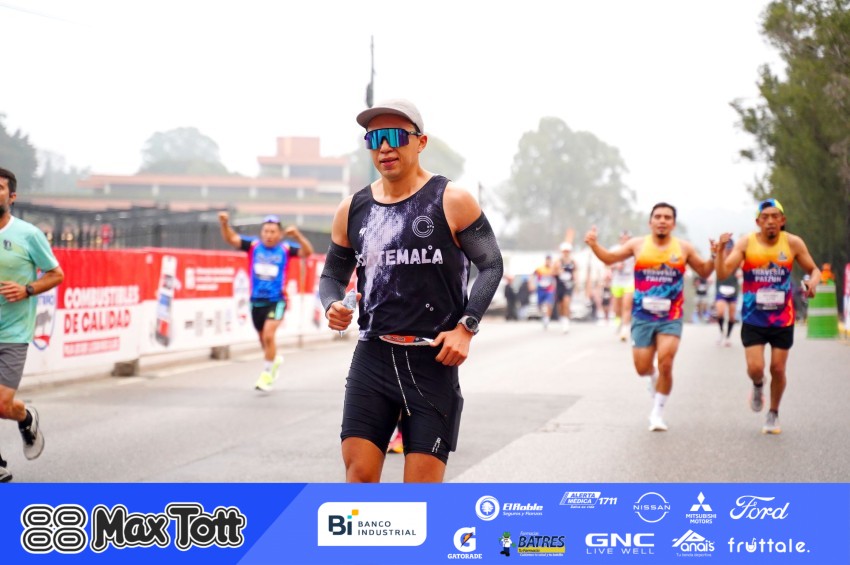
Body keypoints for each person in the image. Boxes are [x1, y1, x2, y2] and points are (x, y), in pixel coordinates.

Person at [319, 99, 503, 482]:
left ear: (420, 142)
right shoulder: (352, 208)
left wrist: (466, 327)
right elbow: (332, 275)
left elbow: (491, 264)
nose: (385, 147)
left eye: (396, 136)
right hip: (373, 356)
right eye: (375, 139)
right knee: (358, 478)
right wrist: (332, 303)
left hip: (431, 361)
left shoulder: (451, 199)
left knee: (419, 496)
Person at [585, 203, 714, 431]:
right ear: (650, 222)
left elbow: (704, 271)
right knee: (642, 368)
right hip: (643, 316)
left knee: (666, 361)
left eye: (667, 217)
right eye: (658, 217)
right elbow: (610, 259)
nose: (662, 220)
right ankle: (652, 377)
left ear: (673, 223)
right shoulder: (638, 245)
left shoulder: (683, 248)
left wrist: (714, 255)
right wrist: (595, 245)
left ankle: (657, 413)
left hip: (671, 316)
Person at [715, 198, 820, 434]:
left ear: (782, 220)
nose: (770, 221)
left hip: (783, 319)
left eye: (775, 217)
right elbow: (722, 273)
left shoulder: (792, 243)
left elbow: (814, 270)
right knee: (755, 368)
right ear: (758, 222)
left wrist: (812, 283)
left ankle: (773, 412)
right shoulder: (746, 243)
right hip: (754, 317)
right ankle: (757, 384)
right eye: (765, 217)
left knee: (778, 369)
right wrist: (720, 251)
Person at [0, 168, 64, 482]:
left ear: (12, 196)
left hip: (13, 332)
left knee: (2, 404)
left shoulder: (28, 234)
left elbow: (56, 274)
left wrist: (27, 289)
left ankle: (25, 417)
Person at [218, 211, 313, 391]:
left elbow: (307, 252)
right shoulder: (253, 246)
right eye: (266, 231)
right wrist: (224, 224)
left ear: (280, 234)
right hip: (256, 301)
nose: (269, 235)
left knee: (269, 335)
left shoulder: (285, 249)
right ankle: (273, 360)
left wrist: (298, 236)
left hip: (276, 300)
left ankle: (267, 375)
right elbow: (231, 239)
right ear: (261, 233)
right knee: (263, 339)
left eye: (273, 232)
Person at [714, 241, 740, 346]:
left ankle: (728, 337)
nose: (728, 250)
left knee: (732, 316)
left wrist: (740, 273)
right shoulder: (719, 258)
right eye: (727, 248)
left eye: (730, 248)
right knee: (720, 312)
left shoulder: (737, 260)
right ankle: (721, 332)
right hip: (721, 289)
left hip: (733, 290)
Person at [610, 231, 635, 341]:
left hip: (630, 281)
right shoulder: (614, 249)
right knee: (617, 307)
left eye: (627, 239)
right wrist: (616, 266)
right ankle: (619, 321)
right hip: (617, 281)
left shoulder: (634, 250)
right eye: (623, 239)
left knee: (627, 305)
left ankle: (625, 328)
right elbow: (607, 263)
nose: (625, 241)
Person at [556, 242, 577, 333]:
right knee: (560, 305)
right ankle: (563, 318)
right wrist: (558, 271)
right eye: (564, 251)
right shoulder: (558, 261)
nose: (566, 253)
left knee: (566, 302)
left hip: (568, 285)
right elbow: (553, 272)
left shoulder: (573, 262)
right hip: (560, 286)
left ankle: (566, 321)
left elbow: (575, 273)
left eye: (567, 251)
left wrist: (576, 283)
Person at [532, 255, 557, 329]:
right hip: (541, 289)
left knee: (549, 304)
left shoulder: (553, 269)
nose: (548, 262)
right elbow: (533, 275)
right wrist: (532, 284)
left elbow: (556, 279)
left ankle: (547, 319)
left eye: (550, 260)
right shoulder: (540, 269)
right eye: (547, 260)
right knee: (539, 305)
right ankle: (543, 315)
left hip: (549, 289)